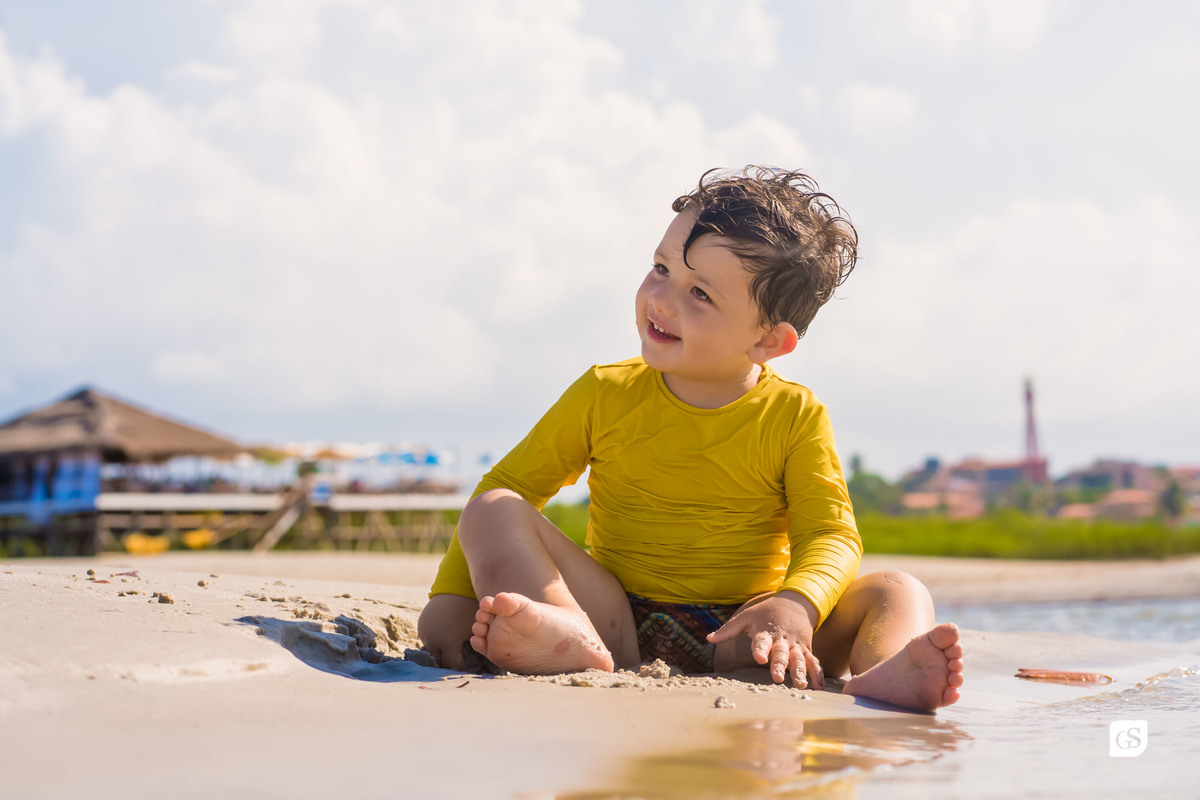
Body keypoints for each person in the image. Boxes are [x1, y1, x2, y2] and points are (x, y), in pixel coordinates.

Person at [417, 167, 964, 712]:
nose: (663, 299)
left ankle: (887, 669)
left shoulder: (792, 413)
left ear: (769, 340)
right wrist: (453, 595)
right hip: (610, 619)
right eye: (661, 268)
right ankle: (563, 636)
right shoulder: (604, 391)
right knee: (494, 506)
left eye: (699, 293)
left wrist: (795, 604)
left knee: (899, 589)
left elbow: (832, 537)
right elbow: (514, 485)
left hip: (752, 635)